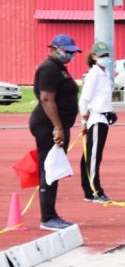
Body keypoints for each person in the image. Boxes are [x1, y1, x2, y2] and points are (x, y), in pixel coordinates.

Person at [29, 34, 81, 231]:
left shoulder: (58, 68)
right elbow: (46, 99)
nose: (70, 56)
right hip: (48, 126)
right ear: (55, 48)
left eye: (72, 53)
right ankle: (48, 217)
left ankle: (50, 214)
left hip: (56, 125)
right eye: (67, 52)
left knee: (53, 169)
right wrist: (58, 127)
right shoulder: (49, 68)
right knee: (49, 170)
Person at [79, 41, 115, 203]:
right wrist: (83, 121)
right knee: (93, 156)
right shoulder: (94, 74)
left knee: (90, 155)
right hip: (96, 119)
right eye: (102, 56)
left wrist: (111, 111)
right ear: (94, 57)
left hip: (103, 118)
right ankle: (96, 191)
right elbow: (84, 100)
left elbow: (103, 97)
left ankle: (88, 190)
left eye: (107, 55)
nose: (105, 58)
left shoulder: (105, 73)